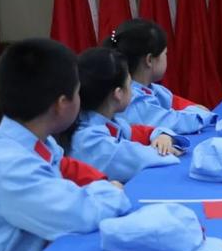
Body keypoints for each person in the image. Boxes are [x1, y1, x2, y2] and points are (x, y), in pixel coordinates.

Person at [0, 39, 131, 251]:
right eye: (78, 92)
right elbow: (79, 215)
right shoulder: (8, 165)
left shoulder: (33, 141)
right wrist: (110, 190)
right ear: (62, 103)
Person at [68, 47, 188, 183]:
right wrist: (165, 150)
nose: (133, 90)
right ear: (118, 94)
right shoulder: (90, 139)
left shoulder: (108, 121)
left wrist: (162, 135)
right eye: (130, 84)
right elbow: (144, 157)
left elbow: (139, 132)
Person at [105, 19, 217, 134]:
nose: (167, 57)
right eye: (165, 53)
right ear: (149, 60)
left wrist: (194, 109)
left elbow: (174, 102)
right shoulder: (132, 100)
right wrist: (204, 115)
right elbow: (173, 122)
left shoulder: (153, 88)